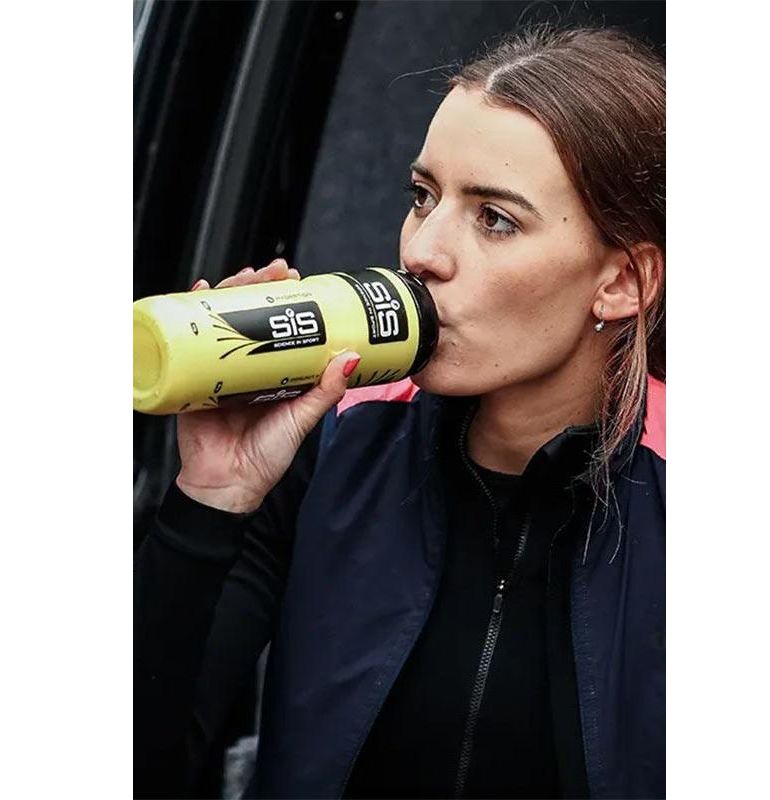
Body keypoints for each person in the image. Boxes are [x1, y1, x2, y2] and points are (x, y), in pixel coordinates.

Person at [134, 23, 666, 800]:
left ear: (621, 282)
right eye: (424, 197)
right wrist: (210, 504)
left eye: (494, 219)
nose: (421, 252)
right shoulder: (333, 447)